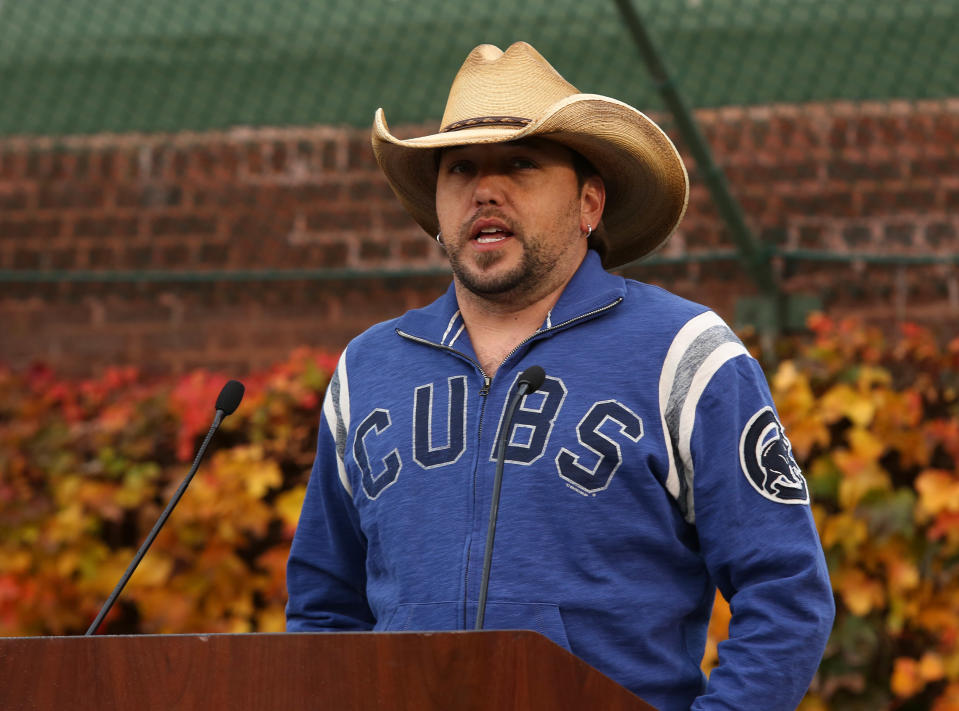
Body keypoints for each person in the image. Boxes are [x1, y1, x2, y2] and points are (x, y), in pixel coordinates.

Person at [286, 42, 834, 711]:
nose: (485, 188)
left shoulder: (686, 355)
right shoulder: (366, 369)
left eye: (519, 163)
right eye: (460, 168)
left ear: (589, 203)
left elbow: (783, 591)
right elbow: (323, 607)